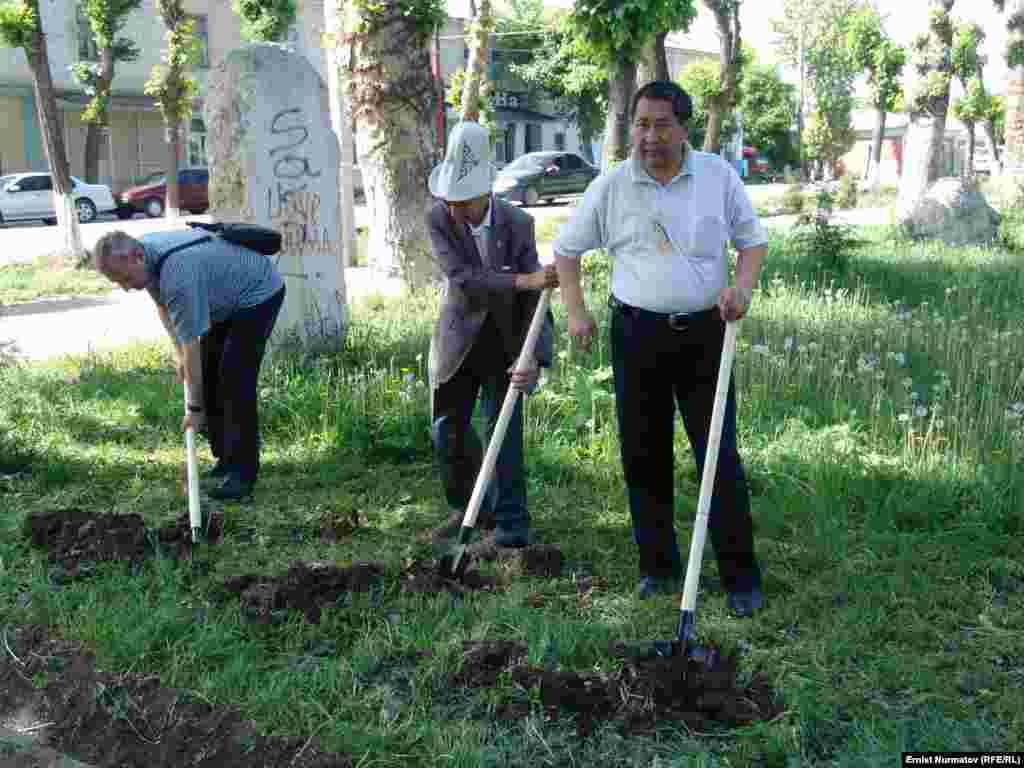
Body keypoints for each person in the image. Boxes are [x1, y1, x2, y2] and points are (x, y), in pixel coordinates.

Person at [553, 81, 768, 615]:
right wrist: (577, 310)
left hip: (705, 333)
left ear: (684, 127)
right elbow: (566, 251)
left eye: (661, 125)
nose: (648, 136)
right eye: (641, 124)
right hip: (636, 334)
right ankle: (658, 568)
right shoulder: (613, 185)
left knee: (717, 453)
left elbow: (752, 241)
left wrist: (741, 288)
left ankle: (740, 577)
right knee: (643, 455)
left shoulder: (717, 177)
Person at [426, 120, 558, 552]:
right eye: (450, 199)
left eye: (462, 199)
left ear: (486, 192)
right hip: (459, 339)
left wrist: (535, 356)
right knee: (448, 430)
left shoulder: (518, 223)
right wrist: (522, 280)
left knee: (505, 431)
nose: (454, 208)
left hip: (504, 339)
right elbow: (462, 279)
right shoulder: (438, 217)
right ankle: (469, 509)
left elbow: (538, 300)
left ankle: (510, 526)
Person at [93, 228, 285, 501]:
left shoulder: (177, 275)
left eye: (124, 278)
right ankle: (226, 461)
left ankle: (242, 475)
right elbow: (163, 308)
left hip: (257, 293)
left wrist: (195, 408)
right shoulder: (146, 257)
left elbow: (192, 342)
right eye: (118, 282)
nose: (125, 287)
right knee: (206, 373)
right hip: (224, 298)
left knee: (233, 380)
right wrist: (179, 355)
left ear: (136, 256)